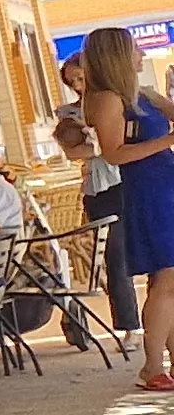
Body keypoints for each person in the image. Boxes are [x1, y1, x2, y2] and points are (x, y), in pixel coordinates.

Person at [69, 30, 174, 390]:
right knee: (167, 276)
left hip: (166, 183)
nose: (142, 55)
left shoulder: (140, 94)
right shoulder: (107, 100)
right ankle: (152, 365)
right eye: (135, 49)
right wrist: (167, 140)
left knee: (169, 278)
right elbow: (114, 153)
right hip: (146, 190)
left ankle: (167, 360)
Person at [55, 107, 137, 335]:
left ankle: (158, 319)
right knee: (115, 258)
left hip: (122, 185)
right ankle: (129, 325)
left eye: (81, 78)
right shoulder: (70, 113)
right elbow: (73, 151)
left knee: (144, 257)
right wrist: (103, 146)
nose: (78, 84)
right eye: (73, 81)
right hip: (96, 193)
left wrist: (100, 146)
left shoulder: (114, 103)